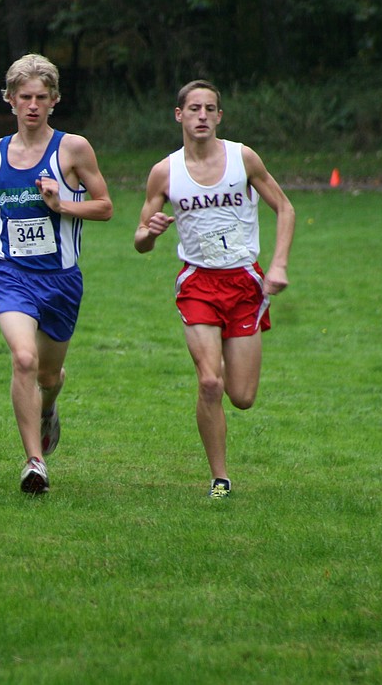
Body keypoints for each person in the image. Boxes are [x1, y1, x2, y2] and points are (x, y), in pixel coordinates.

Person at [134, 79, 295, 499]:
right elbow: (139, 239)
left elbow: (285, 208)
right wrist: (150, 232)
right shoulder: (165, 172)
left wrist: (277, 264)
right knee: (210, 382)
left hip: (244, 282)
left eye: (209, 109)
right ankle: (220, 478)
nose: (202, 116)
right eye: (194, 109)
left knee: (241, 397)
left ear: (219, 116)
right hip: (198, 283)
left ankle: (223, 450)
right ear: (179, 116)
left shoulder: (243, 159)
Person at [0, 53, 113, 495]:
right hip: (11, 274)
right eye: (24, 96)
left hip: (61, 280)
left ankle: (48, 407)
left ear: (54, 100)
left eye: (41, 97)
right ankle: (34, 461)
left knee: (49, 376)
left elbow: (105, 206)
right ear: (9, 100)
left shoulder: (73, 148)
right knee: (23, 359)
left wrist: (61, 204)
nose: (32, 104)